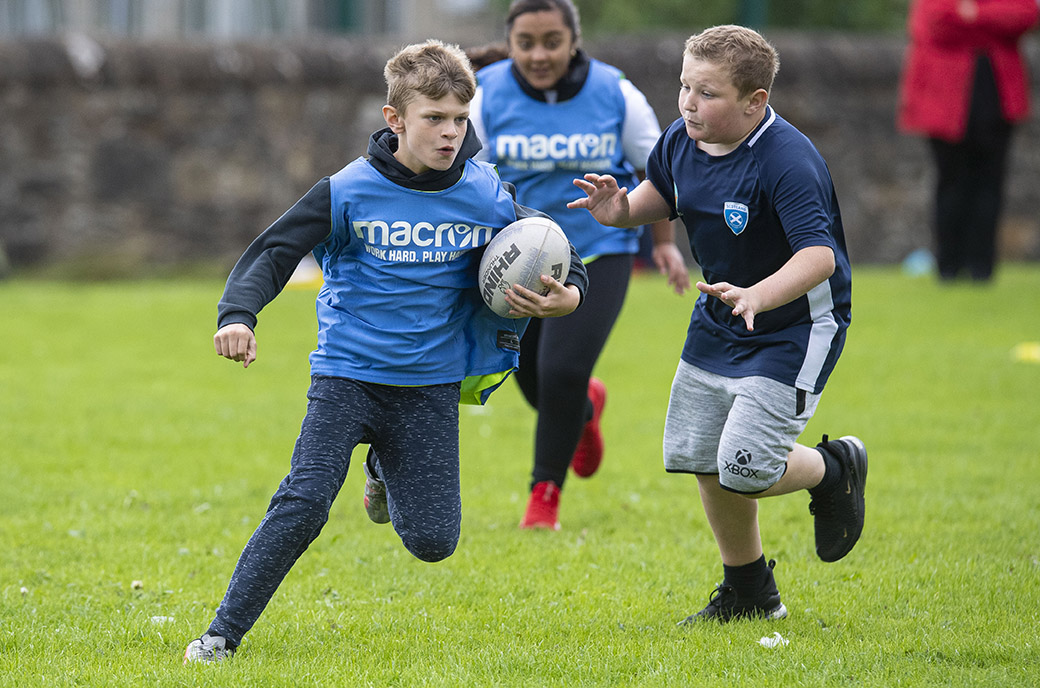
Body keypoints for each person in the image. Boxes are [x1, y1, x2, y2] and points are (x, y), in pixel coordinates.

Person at [183, 39, 589, 663]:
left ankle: (379, 473)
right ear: (395, 119)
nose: (450, 133)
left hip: (429, 389)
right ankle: (220, 635)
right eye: (434, 118)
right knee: (305, 502)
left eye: (460, 119)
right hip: (346, 376)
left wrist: (570, 295)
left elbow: (550, 247)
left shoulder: (487, 196)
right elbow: (274, 251)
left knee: (433, 542)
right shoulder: (348, 191)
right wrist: (238, 316)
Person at [569, 25, 866, 623]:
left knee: (747, 467)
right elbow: (665, 192)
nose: (686, 103)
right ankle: (750, 593)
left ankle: (835, 470)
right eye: (683, 87)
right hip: (719, 316)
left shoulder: (788, 160)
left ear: (755, 101)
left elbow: (819, 256)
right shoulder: (682, 139)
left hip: (795, 326)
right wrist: (621, 209)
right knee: (704, 458)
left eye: (706, 93)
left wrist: (758, 294)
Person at [470, 0, 689, 530]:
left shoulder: (616, 91)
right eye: (526, 42)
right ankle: (586, 411)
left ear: (574, 41)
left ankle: (543, 498)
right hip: (515, 258)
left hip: (599, 250)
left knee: (562, 370)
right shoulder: (486, 93)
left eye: (551, 41)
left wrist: (663, 244)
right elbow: (463, 175)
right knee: (524, 374)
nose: (539, 54)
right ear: (510, 41)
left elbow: (656, 168)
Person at [897, 0, 1039, 282]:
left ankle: (981, 268)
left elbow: (1026, 14)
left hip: (994, 93)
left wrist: (973, 15)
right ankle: (948, 265)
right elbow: (936, 22)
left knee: (990, 183)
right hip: (945, 98)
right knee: (951, 182)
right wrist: (991, 26)